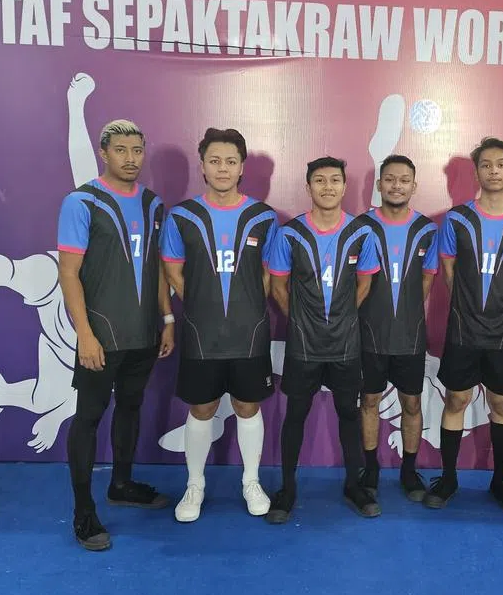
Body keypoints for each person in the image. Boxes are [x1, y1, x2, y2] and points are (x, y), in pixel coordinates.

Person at [56, 118, 176, 551]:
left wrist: (166, 319)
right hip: (101, 336)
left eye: (137, 151)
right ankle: (83, 512)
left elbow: (158, 268)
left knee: (130, 407)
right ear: (103, 153)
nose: (130, 159)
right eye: (121, 150)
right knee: (88, 417)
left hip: (143, 334)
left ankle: (121, 484)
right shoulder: (81, 202)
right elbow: (69, 273)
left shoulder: (153, 204)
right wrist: (85, 335)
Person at [159, 128, 279, 521]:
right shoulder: (182, 216)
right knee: (202, 407)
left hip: (249, 333)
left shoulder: (263, 217)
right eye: (215, 161)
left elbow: (269, 274)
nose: (222, 168)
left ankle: (251, 481)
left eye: (230, 161)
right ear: (203, 166)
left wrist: (247, 305)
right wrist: (201, 304)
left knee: (247, 405)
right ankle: (195, 485)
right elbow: (173, 271)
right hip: (202, 333)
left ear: (241, 167)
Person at [424, 137, 503, 513]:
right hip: (464, 330)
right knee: (456, 400)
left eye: (500, 165)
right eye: (486, 165)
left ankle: (500, 482)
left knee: (500, 403)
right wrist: (470, 306)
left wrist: (501, 307)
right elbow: (448, 270)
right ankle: (448, 479)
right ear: (477, 173)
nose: (494, 171)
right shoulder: (457, 219)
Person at [264, 157, 383, 523]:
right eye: (319, 180)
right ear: (308, 186)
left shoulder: (362, 233)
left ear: (344, 187)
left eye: (334, 180)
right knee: (295, 414)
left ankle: (353, 485)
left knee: (349, 413)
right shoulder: (289, 234)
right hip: (303, 345)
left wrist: (341, 317)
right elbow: (278, 286)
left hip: (345, 345)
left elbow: (365, 283)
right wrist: (303, 320)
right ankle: (287, 488)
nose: (327, 187)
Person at [357, 155, 439, 502]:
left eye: (404, 180)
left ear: (414, 186)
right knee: (369, 401)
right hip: (369, 335)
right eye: (389, 179)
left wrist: (406, 316)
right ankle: (370, 469)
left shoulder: (427, 230)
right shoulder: (361, 227)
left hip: (409, 336)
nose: (396, 186)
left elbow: (427, 280)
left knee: (412, 404)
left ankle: (408, 470)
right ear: (379, 185)